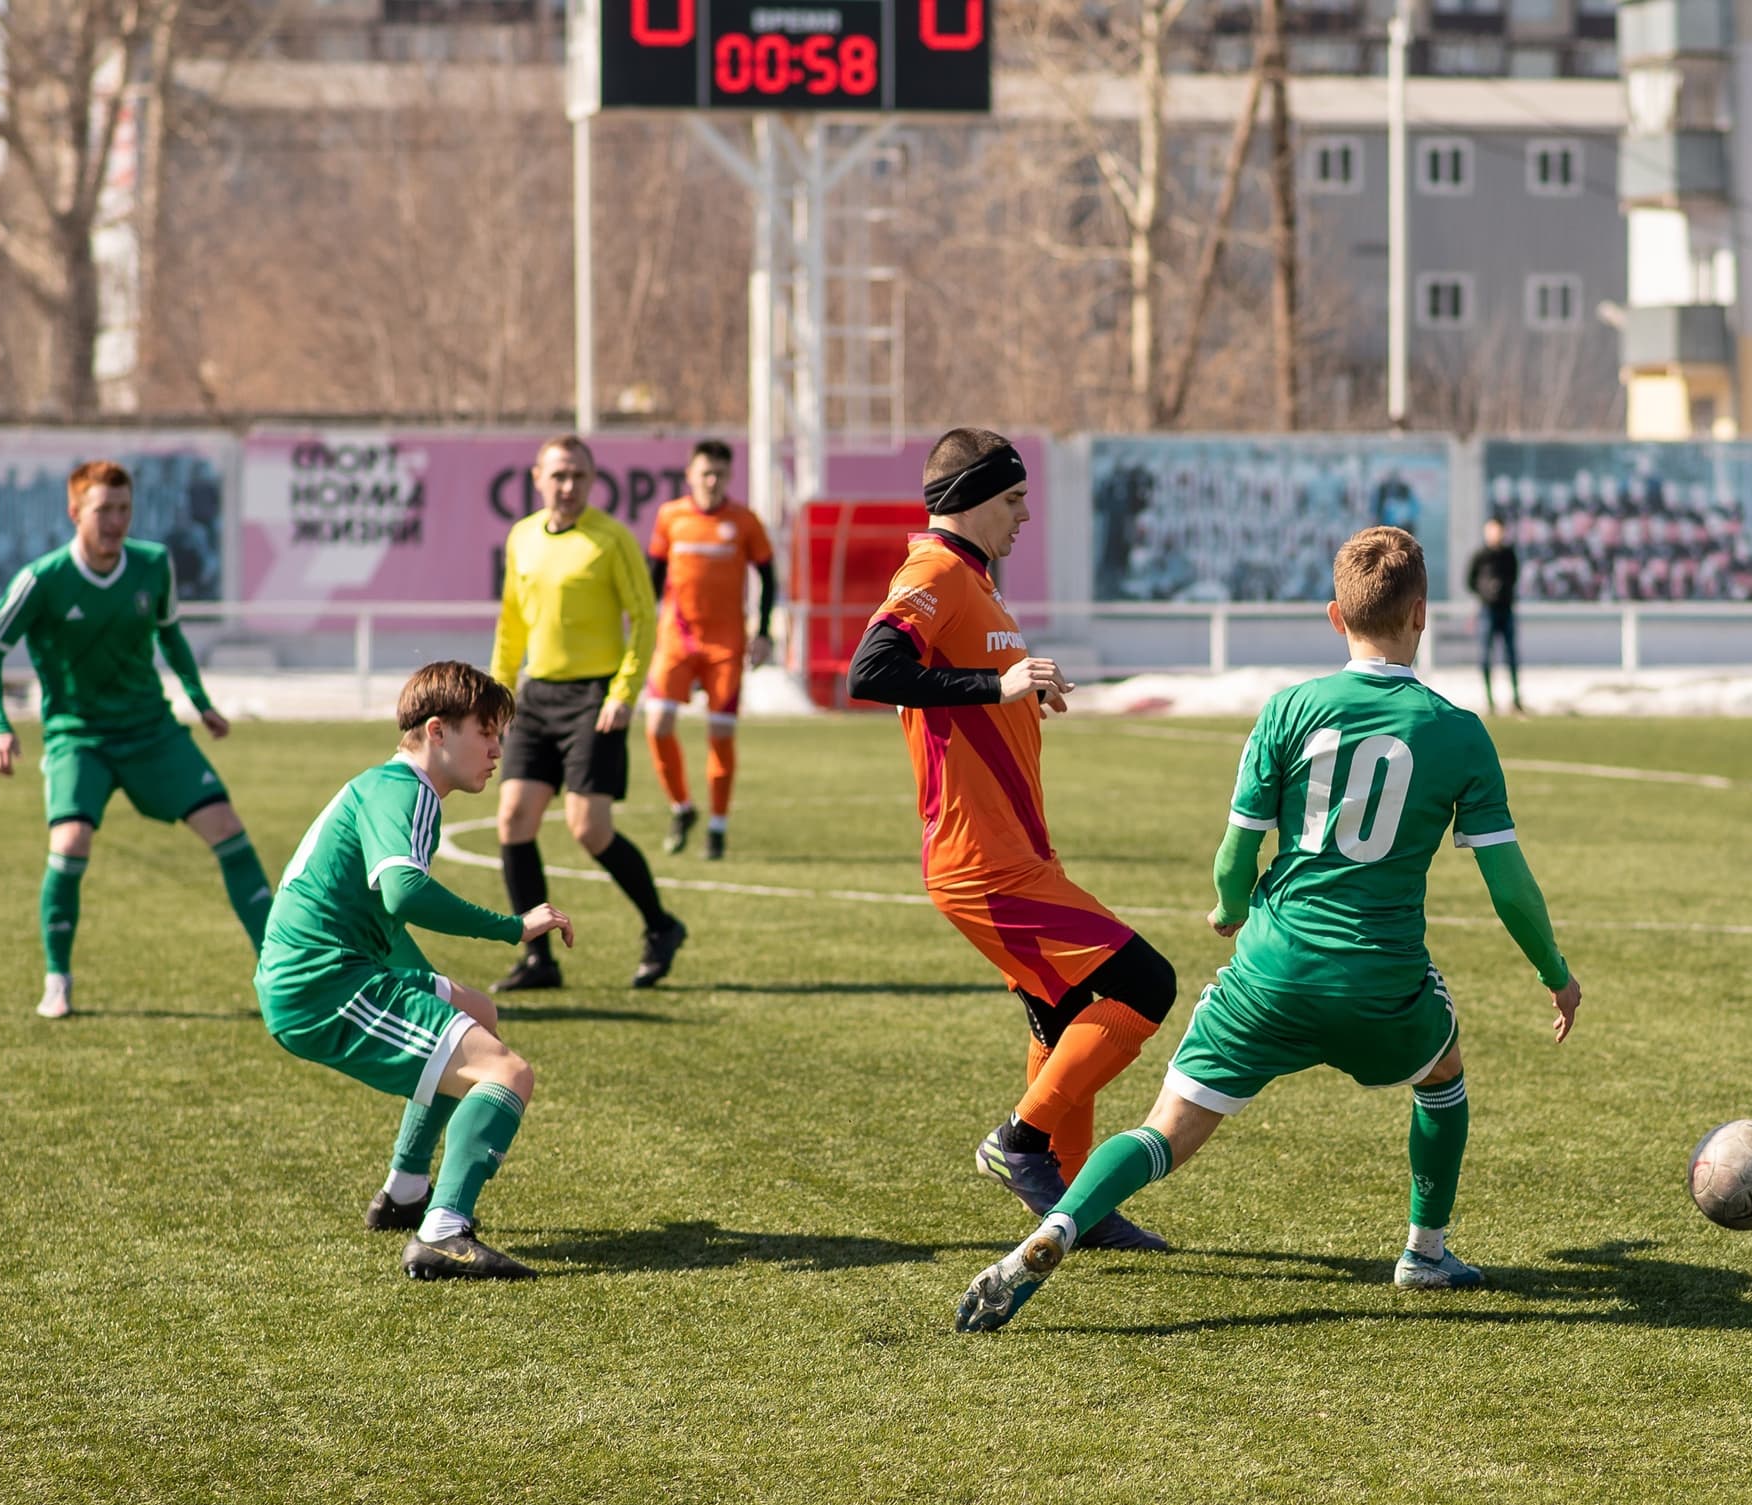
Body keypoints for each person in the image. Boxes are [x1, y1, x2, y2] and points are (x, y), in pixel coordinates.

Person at [956, 526, 1583, 1332]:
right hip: (1380, 982)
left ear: (1335, 616)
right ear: (1421, 613)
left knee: (1163, 1132)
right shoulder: (1457, 730)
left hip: (1271, 971)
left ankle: (1058, 1228)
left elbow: (1236, 853)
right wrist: (1555, 972)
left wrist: (1229, 908)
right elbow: (1510, 888)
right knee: (1442, 1072)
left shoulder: (1288, 708)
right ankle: (1425, 1251)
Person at [847, 427, 1175, 1252]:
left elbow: (970, 691)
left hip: (1015, 853)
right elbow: (871, 669)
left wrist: (1021, 689)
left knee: (1065, 1019)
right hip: (983, 863)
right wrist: (999, 684)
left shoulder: (975, 581)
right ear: (970, 499)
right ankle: (1021, 1143)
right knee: (1147, 983)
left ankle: (1074, 1206)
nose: (1026, 514)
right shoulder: (933, 571)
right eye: (1014, 498)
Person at [257, 661, 574, 1281]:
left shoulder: (388, 785)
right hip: (324, 986)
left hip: (323, 972)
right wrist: (512, 926)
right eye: (486, 733)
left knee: (476, 1011)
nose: (497, 751)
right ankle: (442, 1233)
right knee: (507, 1074)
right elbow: (403, 893)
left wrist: (443, 999)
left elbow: (383, 916)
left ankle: (405, 1192)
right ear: (437, 731)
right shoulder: (408, 791)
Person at [0, 460, 273, 1019]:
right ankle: (57, 979)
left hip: (150, 731)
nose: (115, 521)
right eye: (103, 510)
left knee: (228, 829)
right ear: (75, 512)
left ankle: (278, 971)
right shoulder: (42, 578)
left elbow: (170, 634)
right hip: (77, 737)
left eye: (123, 509)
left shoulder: (154, 564)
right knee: (70, 843)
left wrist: (200, 701)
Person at [489, 434, 684, 992]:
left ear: (593, 480)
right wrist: (500, 695)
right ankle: (539, 960)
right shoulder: (522, 537)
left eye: (578, 475)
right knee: (513, 820)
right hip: (536, 697)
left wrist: (624, 692)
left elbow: (644, 619)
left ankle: (661, 926)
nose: (568, 485)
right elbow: (511, 622)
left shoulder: (611, 539)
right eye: (558, 475)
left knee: (589, 829)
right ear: (537, 478)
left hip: (594, 699)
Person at [644, 439, 775, 861]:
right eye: (705, 473)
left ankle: (717, 827)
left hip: (725, 644)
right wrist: (643, 627)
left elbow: (769, 577)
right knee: (657, 725)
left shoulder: (744, 521)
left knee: (720, 733)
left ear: (729, 475)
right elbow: (653, 575)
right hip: (676, 639)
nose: (712, 481)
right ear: (690, 475)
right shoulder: (671, 517)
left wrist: (764, 632)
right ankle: (682, 808)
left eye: (719, 473)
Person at [1464, 515, 1523, 717]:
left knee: (1511, 655)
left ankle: (1516, 699)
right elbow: (1470, 581)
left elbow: (1514, 577)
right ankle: (1489, 700)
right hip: (1487, 610)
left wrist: (1503, 591)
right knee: (1485, 656)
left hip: (1506, 610)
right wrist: (1486, 593)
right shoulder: (1480, 555)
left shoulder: (1508, 555)